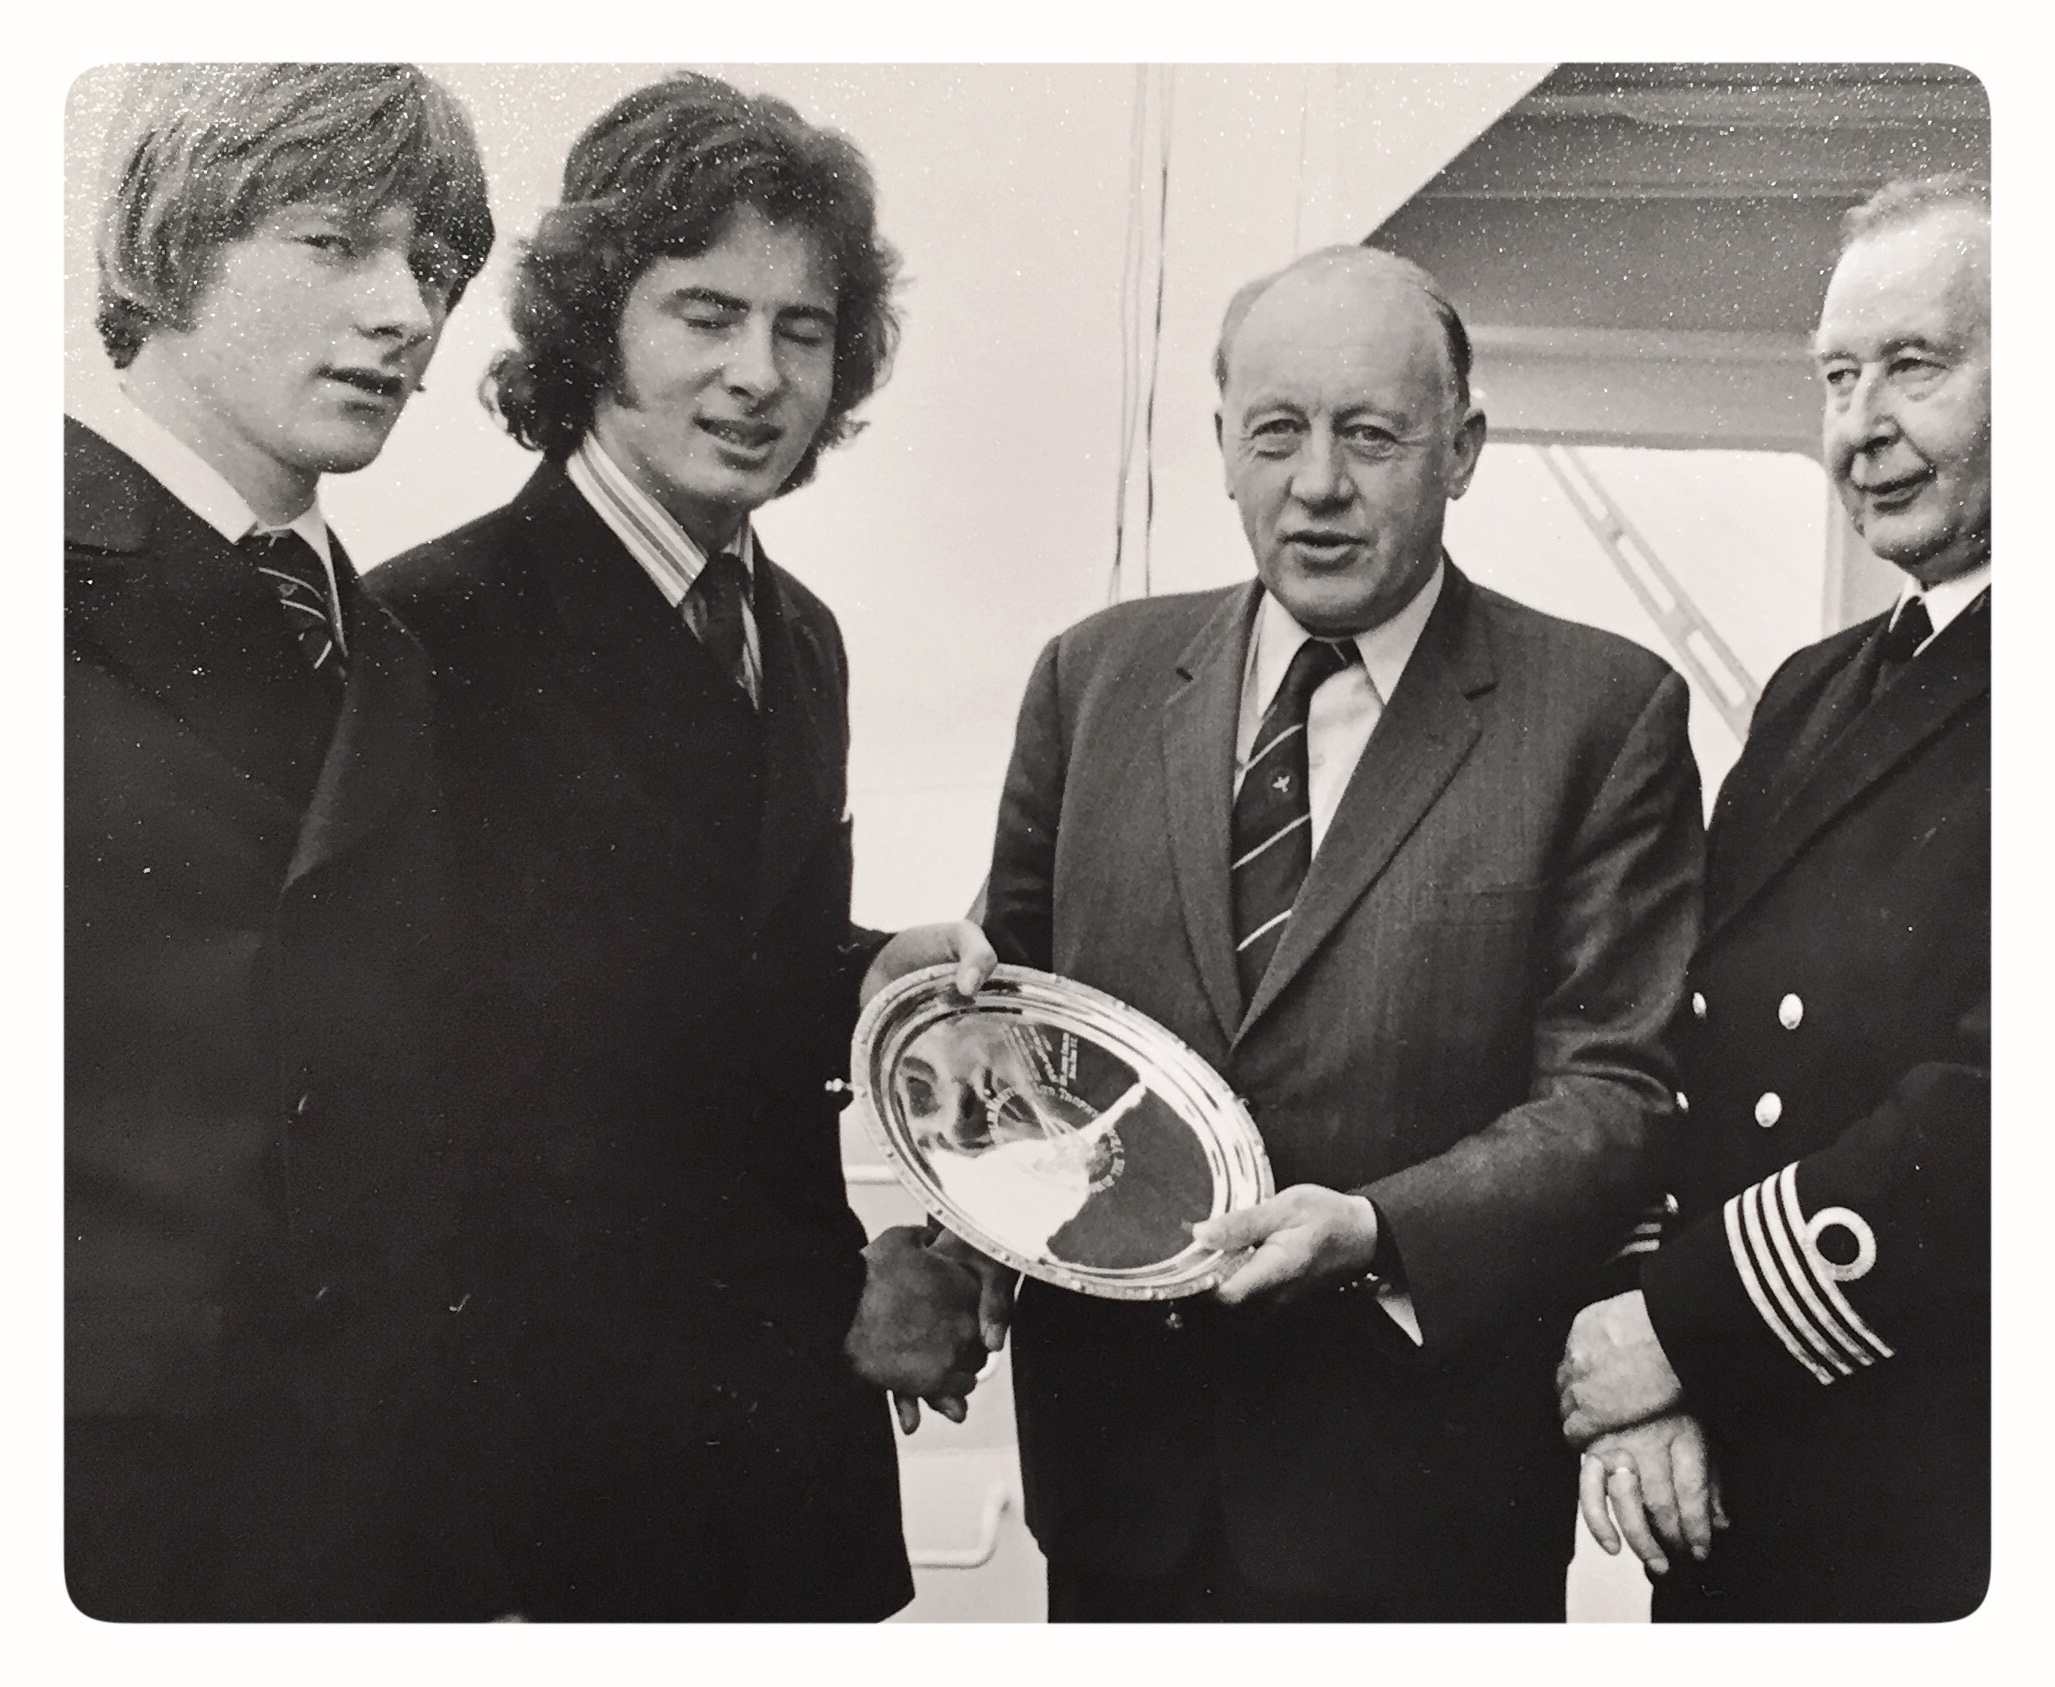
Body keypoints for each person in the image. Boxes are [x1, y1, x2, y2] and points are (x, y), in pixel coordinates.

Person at [975, 243, 1704, 1620]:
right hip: (1121, 1492)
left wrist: (1378, 1226)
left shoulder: (1604, 714)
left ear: (1465, 448)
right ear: (1223, 447)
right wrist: (958, 1253)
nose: (1317, 483)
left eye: (1371, 435)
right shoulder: (1093, 678)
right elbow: (1010, 1034)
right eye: (1277, 433)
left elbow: (1618, 1094)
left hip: (1421, 1511)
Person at [368, 72, 998, 1622]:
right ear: (591, 326)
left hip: (787, 1436)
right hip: (540, 1476)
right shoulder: (428, 630)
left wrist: (880, 969)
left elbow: (724, 967)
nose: (759, 375)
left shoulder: (804, 636)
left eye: (803, 327)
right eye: (704, 313)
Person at [65, 63, 496, 1619]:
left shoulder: (386, 646)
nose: (409, 315)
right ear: (172, 248)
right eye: (338, 244)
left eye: (434, 266)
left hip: (360, 1477)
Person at [1555, 175, 1991, 1622]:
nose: (1859, 427)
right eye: (1836, 376)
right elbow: (1685, 1041)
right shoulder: (1813, 697)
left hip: (1964, 1496)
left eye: (1916, 367)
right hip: (1749, 1477)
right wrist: (1655, 1380)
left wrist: (1688, 1332)